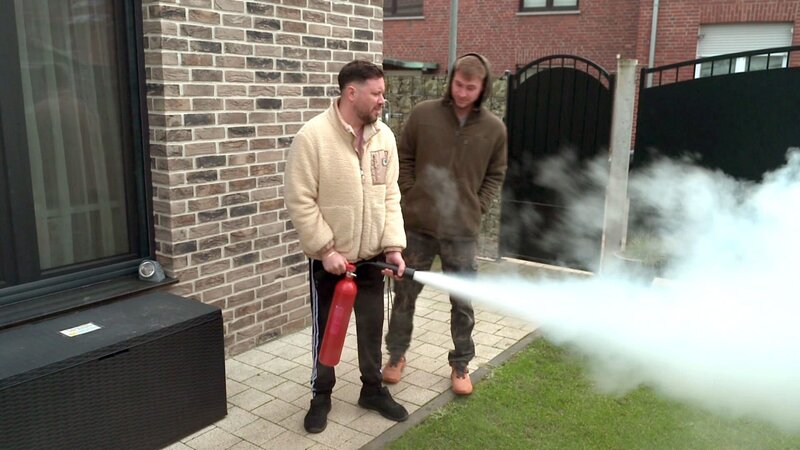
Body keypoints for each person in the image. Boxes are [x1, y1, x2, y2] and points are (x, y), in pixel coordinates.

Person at [284, 60, 409, 433]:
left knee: (372, 329)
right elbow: (300, 199)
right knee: (328, 331)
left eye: (383, 93)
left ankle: (371, 390)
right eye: (376, 93)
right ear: (350, 93)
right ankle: (321, 396)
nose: (382, 101)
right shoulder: (313, 137)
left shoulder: (383, 137)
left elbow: (390, 195)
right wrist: (325, 250)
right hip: (331, 264)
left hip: (371, 261)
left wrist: (393, 247)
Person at [382, 53, 508, 395]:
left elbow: (496, 174)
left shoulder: (494, 129)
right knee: (404, 293)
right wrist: (410, 193)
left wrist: (478, 206)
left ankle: (461, 363)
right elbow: (403, 156)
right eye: (458, 85)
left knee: (463, 301)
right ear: (450, 80)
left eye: (470, 87)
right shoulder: (424, 114)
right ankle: (396, 356)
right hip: (418, 226)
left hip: (463, 232)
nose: (463, 93)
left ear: (483, 88)